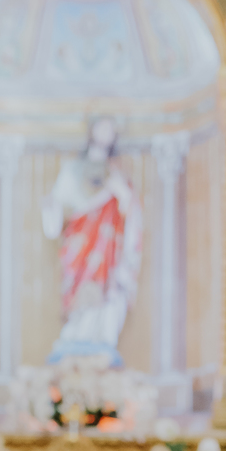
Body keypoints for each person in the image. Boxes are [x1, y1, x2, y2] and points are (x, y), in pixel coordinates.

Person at [41, 116, 142, 364]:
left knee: (105, 291)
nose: (105, 133)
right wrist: (50, 209)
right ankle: (76, 332)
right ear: (91, 132)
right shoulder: (72, 170)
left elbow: (131, 212)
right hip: (80, 240)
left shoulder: (117, 173)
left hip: (107, 243)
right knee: (80, 286)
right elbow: (55, 211)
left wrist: (121, 195)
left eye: (110, 128)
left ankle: (99, 337)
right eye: (101, 127)